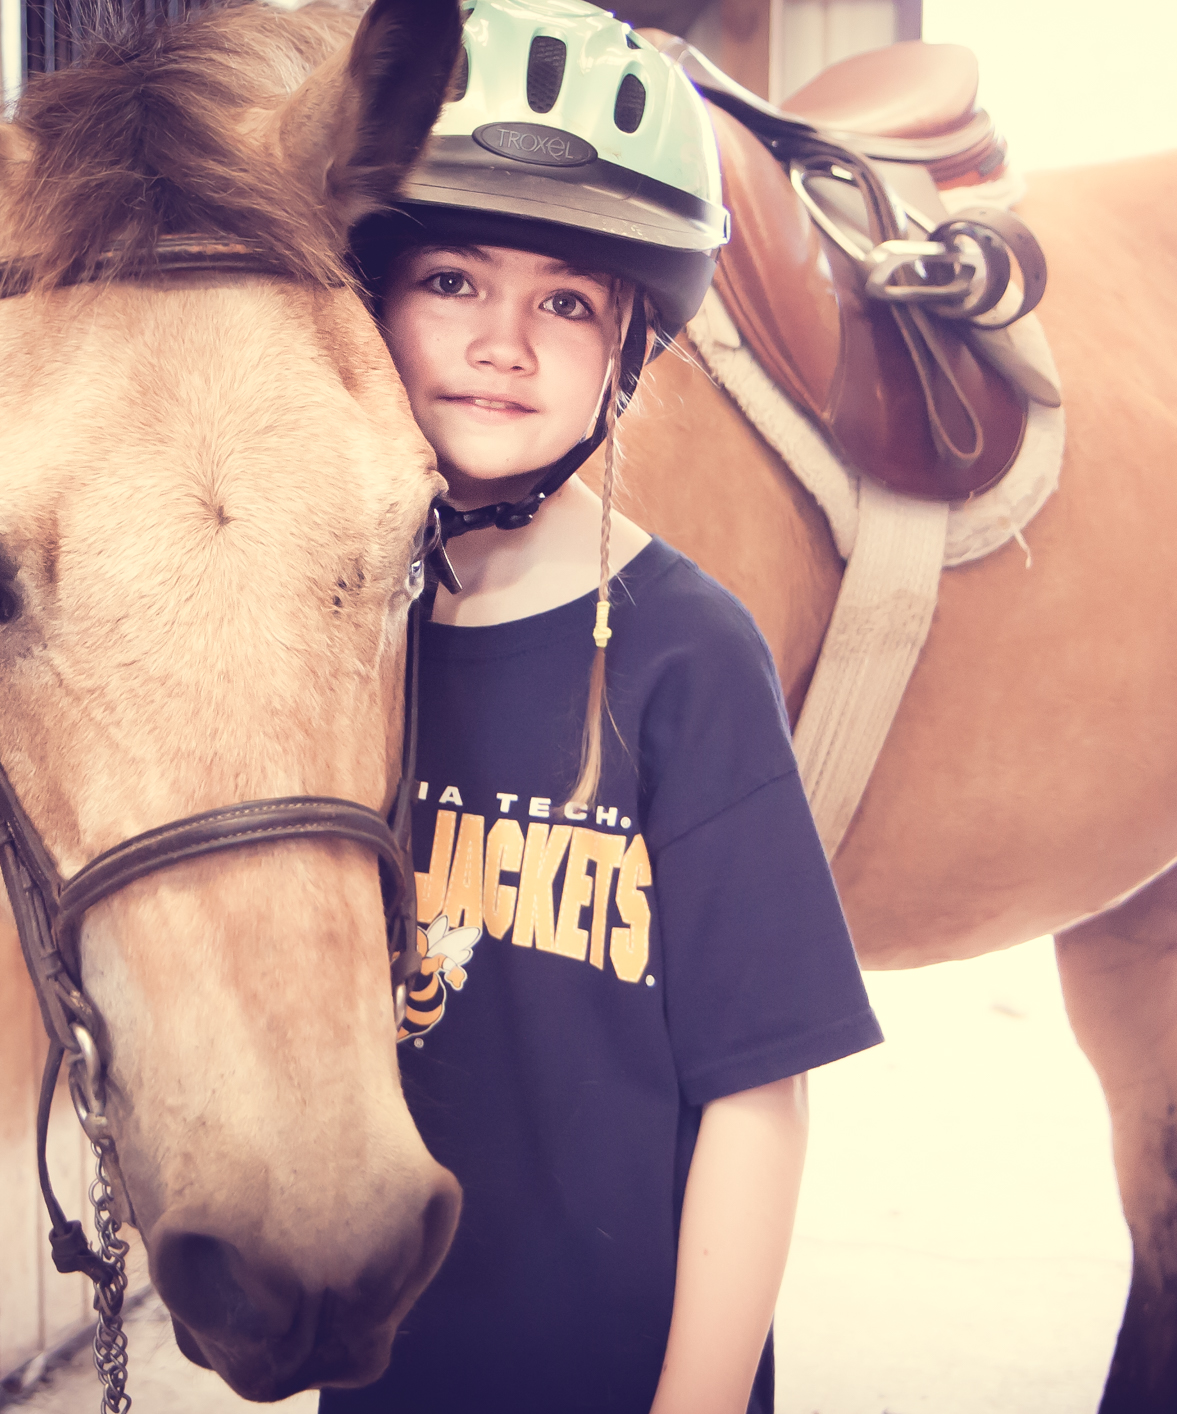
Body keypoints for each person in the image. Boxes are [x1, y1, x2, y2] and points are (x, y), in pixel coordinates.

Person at [326, 4, 882, 1410]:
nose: (504, 341)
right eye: (452, 279)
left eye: (564, 300)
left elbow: (759, 1093)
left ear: (628, 345)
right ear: (372, 299)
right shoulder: (331, 631)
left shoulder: (685, 654)